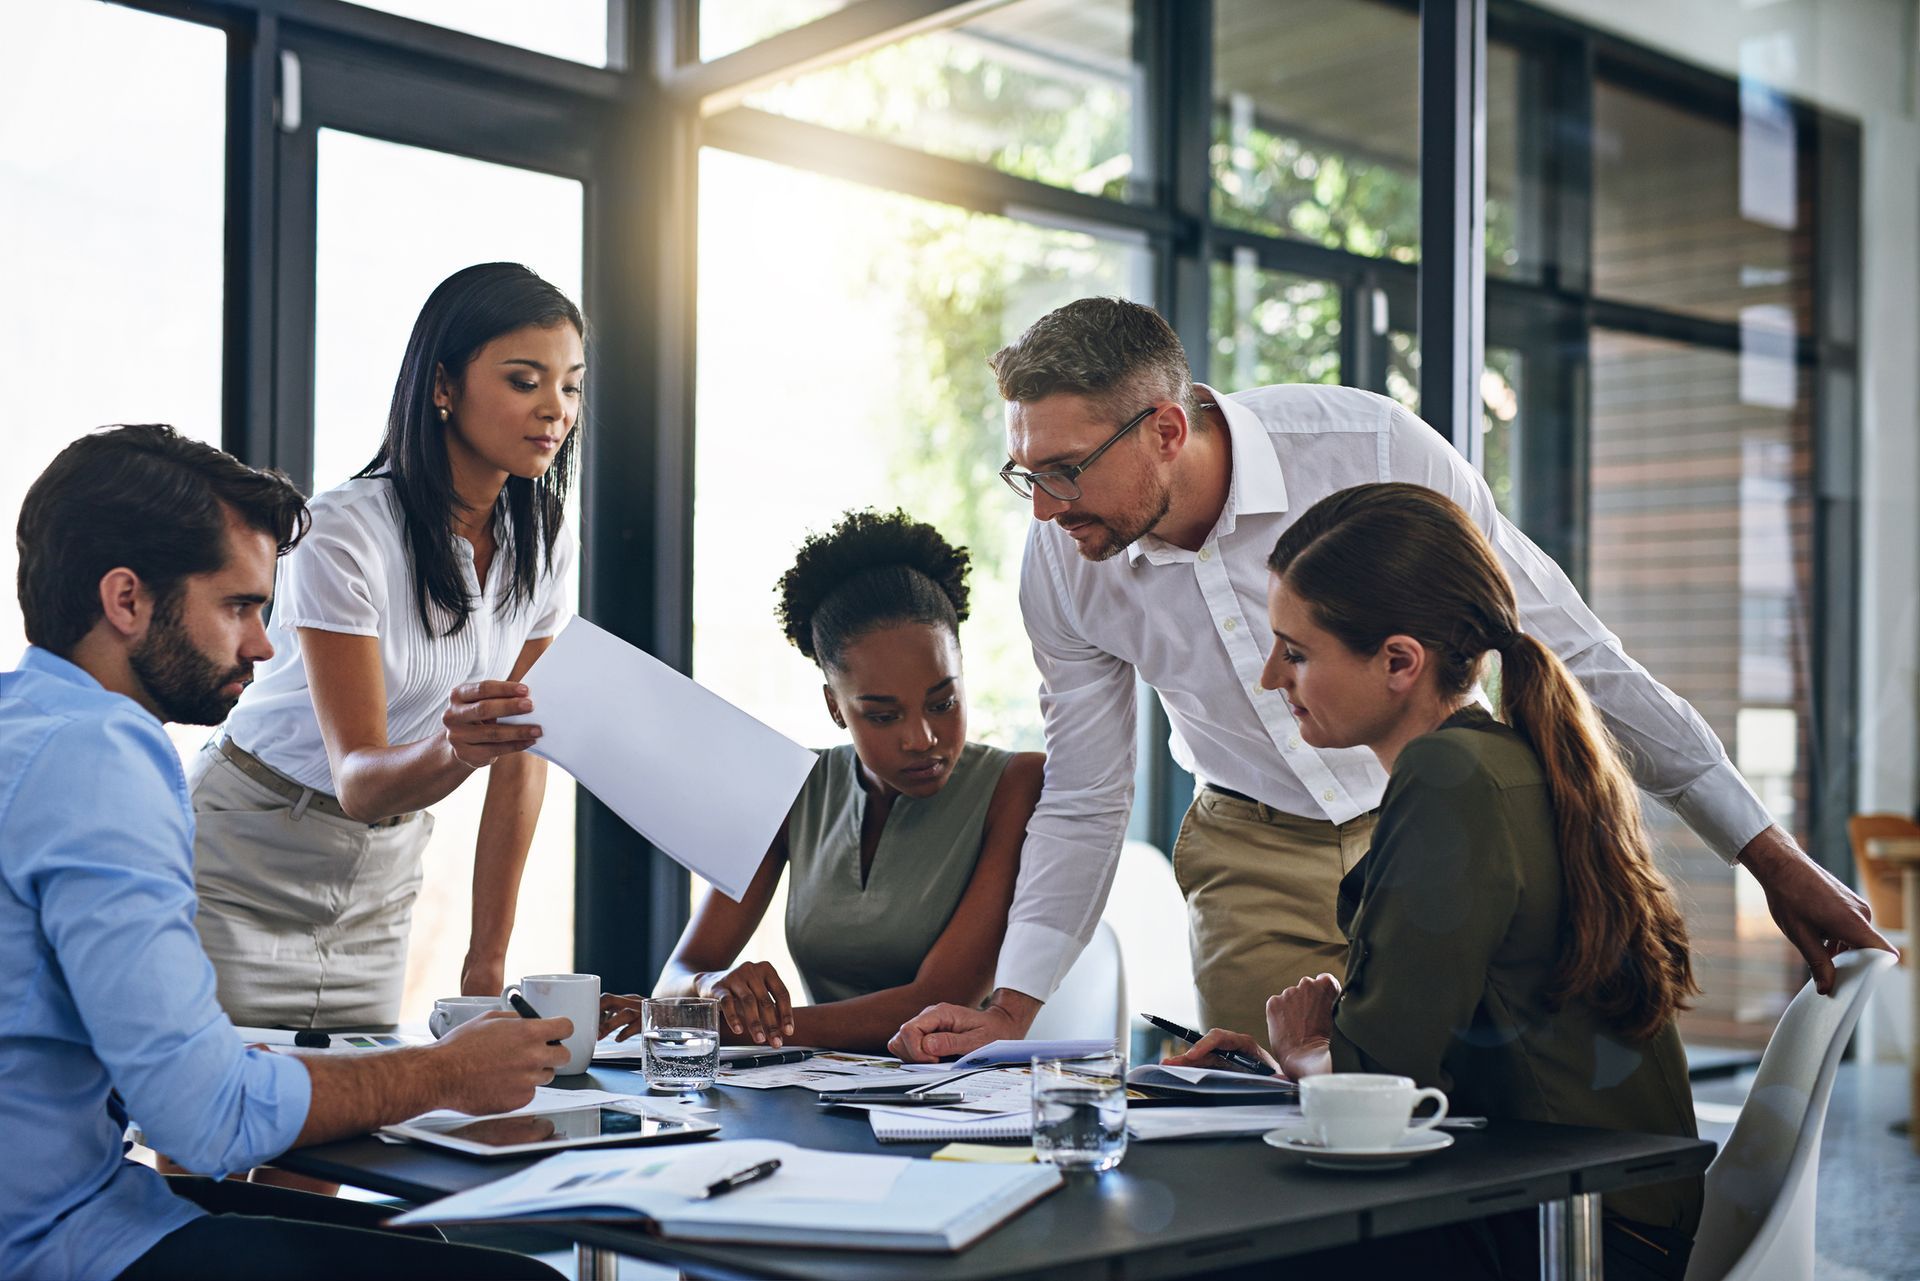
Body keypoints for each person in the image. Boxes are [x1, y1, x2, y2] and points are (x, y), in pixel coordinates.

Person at [890, 296, 1888, 1062]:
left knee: (1468, 1132)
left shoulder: (1370, 452)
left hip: (1436, 833)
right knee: (1275, 1152)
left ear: (1164, 429)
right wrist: (1011, 1007)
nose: (1044, 509)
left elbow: (1572, 652)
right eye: (1028, 473)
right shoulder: (1066, 563)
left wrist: (1768, 855)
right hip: (1252, 856)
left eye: (1064, 469)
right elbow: (1088, 791)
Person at [2, 425, 570, 1280]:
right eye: (239, 606)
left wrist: (209, 1056)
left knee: (419, 1244)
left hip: (70, 1195)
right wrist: (445, 1071)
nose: (264, 646)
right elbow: (205, 1121)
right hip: (62, 1242)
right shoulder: (105, 759)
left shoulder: (25, 725)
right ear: (126, 600)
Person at [1166, 482, 1702, 1280]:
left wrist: (1307, 1050)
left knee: (1204, 1238)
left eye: (1298, 650)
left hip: (1570, 1230)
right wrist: (1292, 1063)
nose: (1273, 675)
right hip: (1606, 1207)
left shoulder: (1449, 776)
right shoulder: (1506, 757)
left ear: (1398, 663)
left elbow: (1384, 1083)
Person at [192, 262, 583, 1028]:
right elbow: (361, 778)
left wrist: (486, 960)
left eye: (570, 385)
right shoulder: (343, 530)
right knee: (200, 1134)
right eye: (524, 380)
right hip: (246, 852)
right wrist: (459, 748)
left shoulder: (545, 537)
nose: (554, 409)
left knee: (352, 1129)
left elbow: (522, 753)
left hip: (382, 873)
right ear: (443, 385)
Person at [602, 510, 1043, 1053]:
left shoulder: (1017, 784)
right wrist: (708, 987)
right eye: (883, 715)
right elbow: (680, 972)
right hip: (816, 1094)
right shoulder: (791, 787)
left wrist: (717, 1024)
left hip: (966, 1101)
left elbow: (937, 1002)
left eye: (943, 702)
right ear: (835, 706)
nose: (923, 738)